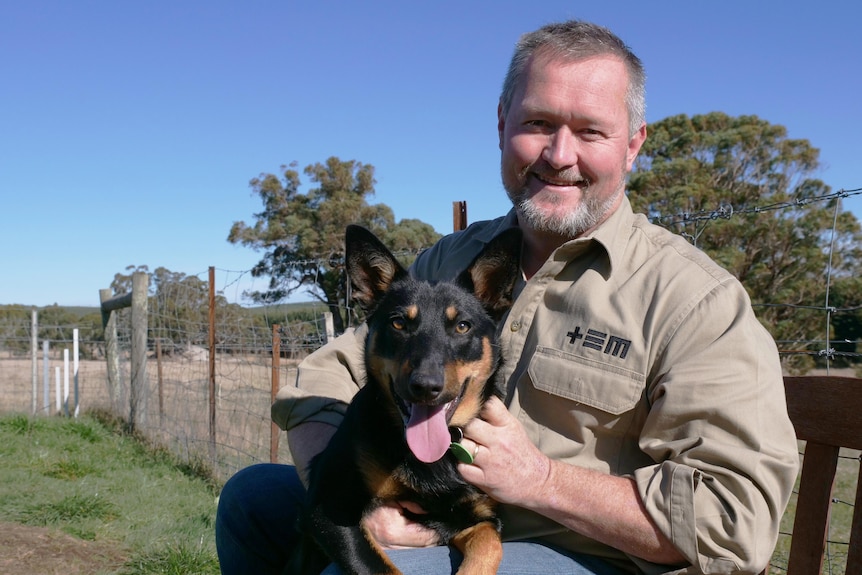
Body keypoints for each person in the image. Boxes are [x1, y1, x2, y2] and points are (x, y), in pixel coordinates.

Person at [216, 20, 800, 575]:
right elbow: (328, 374)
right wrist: (354, 492)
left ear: (632, 145)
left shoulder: (694, 300)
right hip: (437, 504)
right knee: (252, 503)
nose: (559, 154)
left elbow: (734, 519)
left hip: (586, 553)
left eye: (591, 131)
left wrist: (544, 482)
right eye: (539, 124)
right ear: (501, 125)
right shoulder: (450, 262)